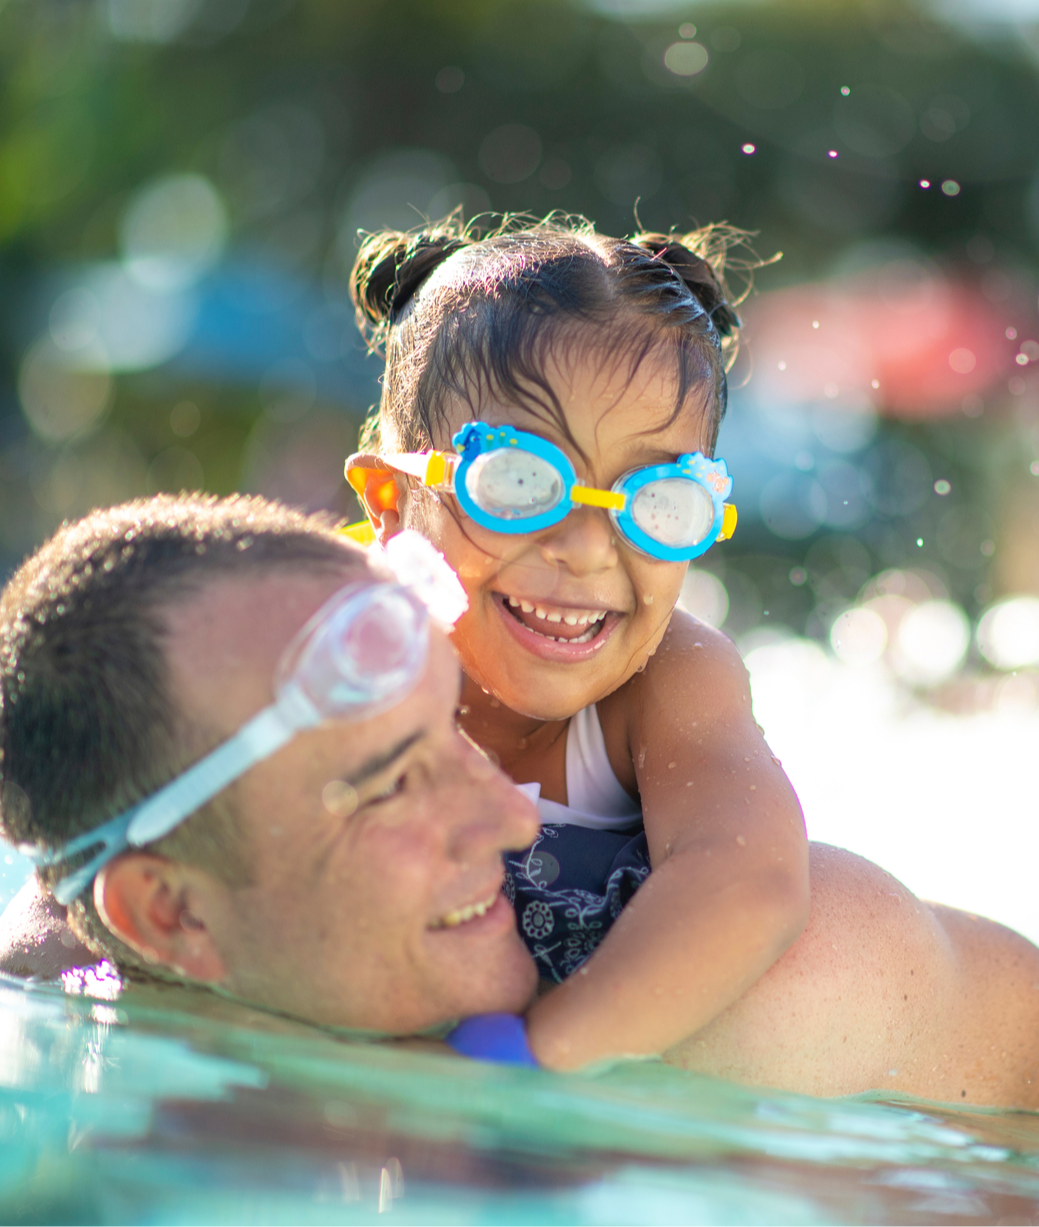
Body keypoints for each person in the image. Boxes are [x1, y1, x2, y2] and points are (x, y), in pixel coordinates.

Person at [0, 494, 1039, 1120]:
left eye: (456, 733)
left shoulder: (777, 999)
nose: (521, 822)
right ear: (170, 919)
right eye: (395, 784)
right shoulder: (71, 1007)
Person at [340, 215, 811, 1072]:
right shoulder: (325, 653)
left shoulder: (671, 680)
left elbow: (749, 882)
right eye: (518, 481)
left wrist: (527, 1066)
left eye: (660, 498)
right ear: (387, 501)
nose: (587, 549)